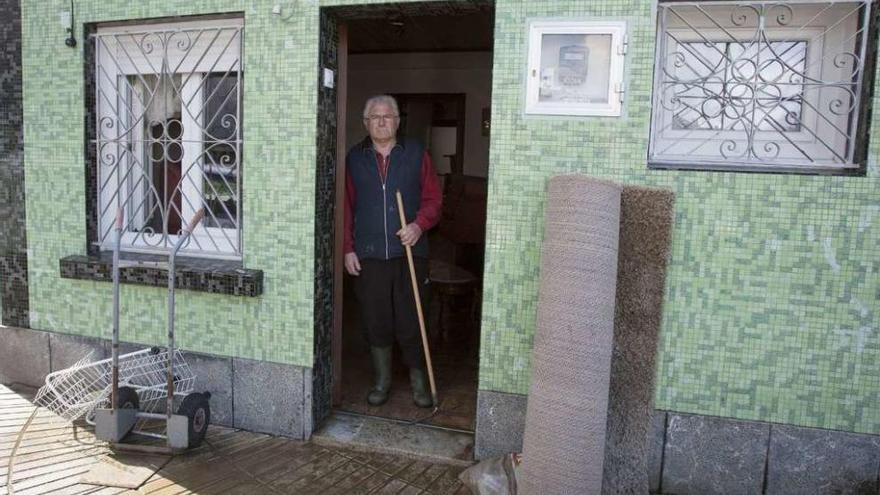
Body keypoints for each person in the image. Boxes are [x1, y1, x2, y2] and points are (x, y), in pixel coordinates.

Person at [344, 95, 442, 408]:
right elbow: (345, 208)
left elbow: (433, 200)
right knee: (376, 319)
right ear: (366, 123)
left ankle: (418, 383)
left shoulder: (416, 153)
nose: (382, 121)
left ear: (398, 121)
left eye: (388, 116)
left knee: (412, 318)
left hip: (409, 254)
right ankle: (382, 380)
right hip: (370, 254)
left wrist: (417, 226)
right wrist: (348, 249)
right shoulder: (354, 158)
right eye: (375, 116)